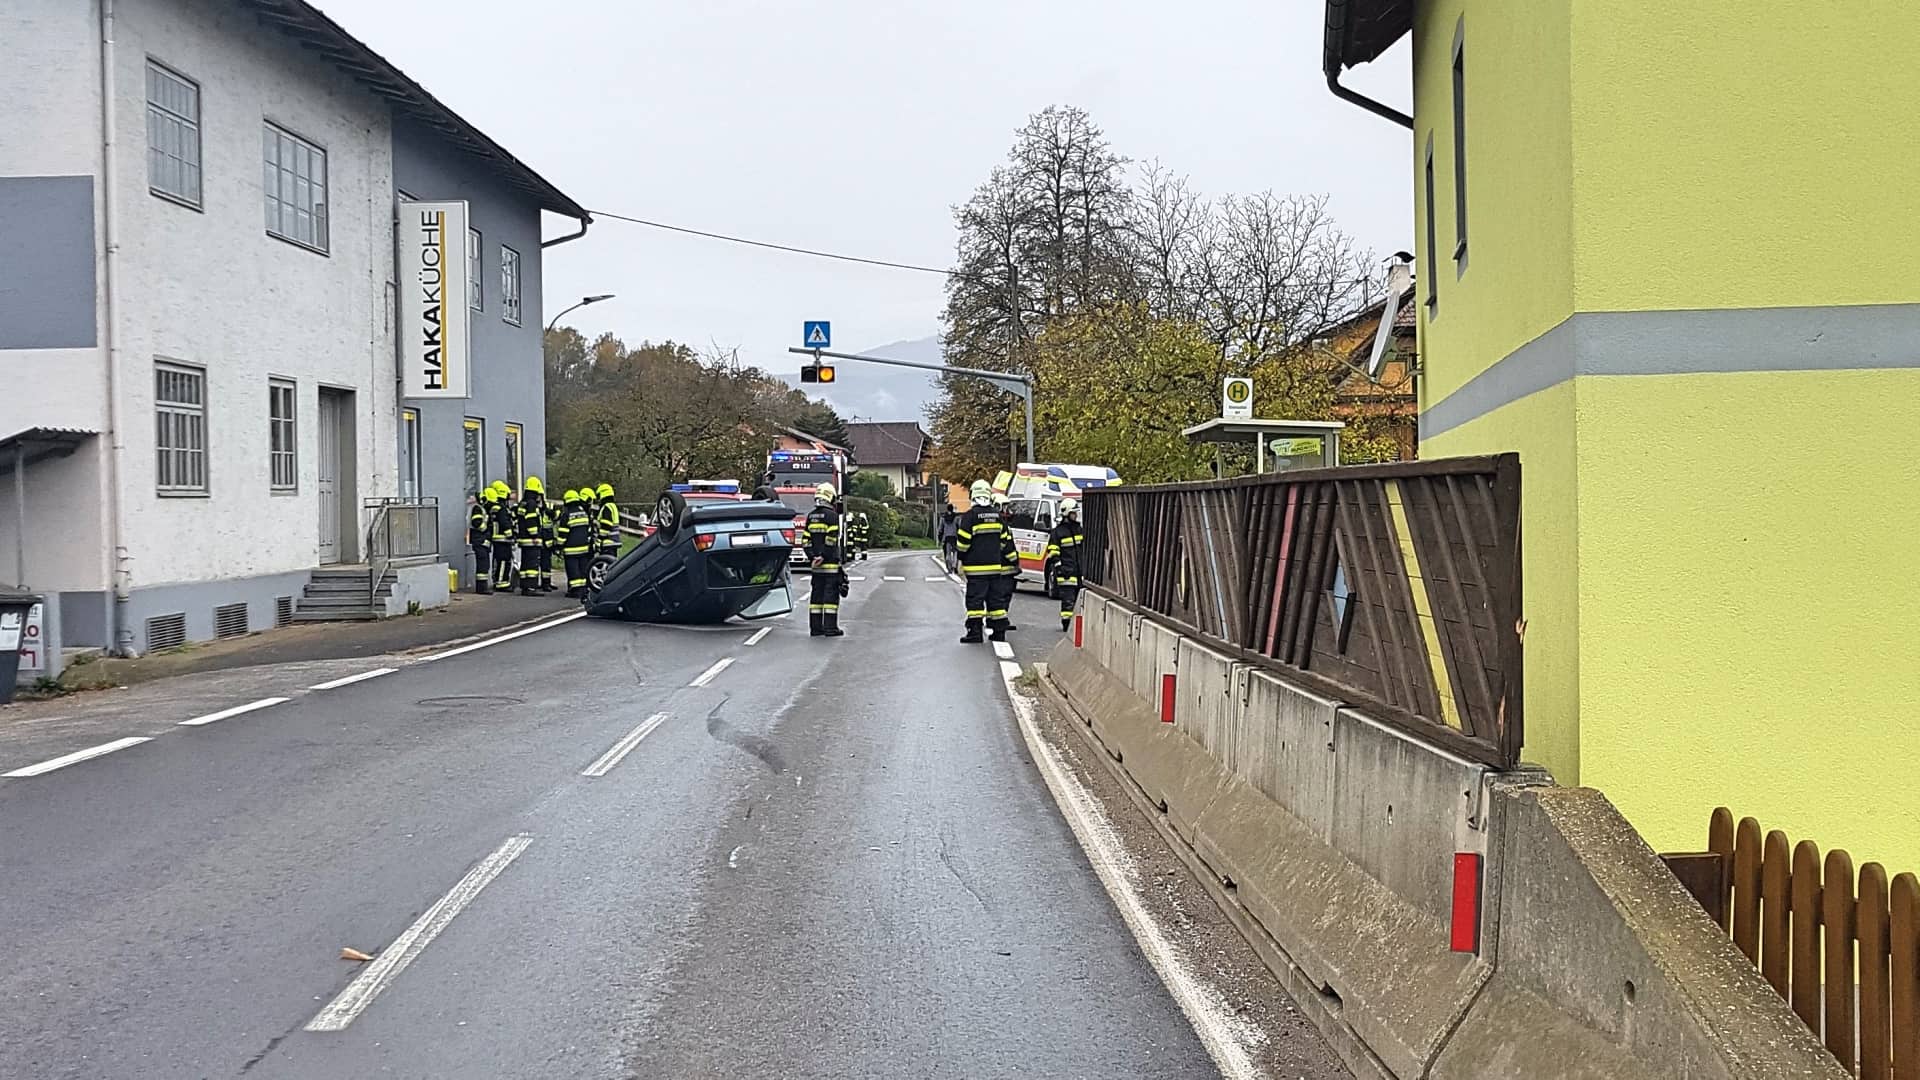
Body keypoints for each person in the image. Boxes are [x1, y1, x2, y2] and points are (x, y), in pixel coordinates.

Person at [955, 480, 1016, 643]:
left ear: (973, 495)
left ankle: (975, 633)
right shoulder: (997, 516)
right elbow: (1005, 541)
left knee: (975, 602)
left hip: (976, 570)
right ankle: (999, 633)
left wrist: (961, 559)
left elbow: (962, 544)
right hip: (996, 568)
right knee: (996, 602)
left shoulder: (970, 517)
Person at [804, 482, 845, 637]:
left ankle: (815, 628)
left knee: (816, 597)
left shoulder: (811, 515)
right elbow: (831, 539)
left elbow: (806, 540)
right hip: (829, 564)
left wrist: (812, 557)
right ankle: (830, 628)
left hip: (816, 566)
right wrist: (824, 556)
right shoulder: (832, 516)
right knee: (830, 598)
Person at [1047, 498, 1084, 632]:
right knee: (1068, 600)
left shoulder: (1079, 530)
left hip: (1079, 572)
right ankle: (1067, 624)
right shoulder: (1058, 533)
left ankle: (1077, 625)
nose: (1076, 515)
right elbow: (1053, 553)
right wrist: (1060, 568)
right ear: (1067, 514)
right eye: (1074, 513)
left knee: (1080, 600)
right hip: (1066, 572)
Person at [560, 490, 594, 598]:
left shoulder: (567, 514)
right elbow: (589, 530)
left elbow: (563, 533)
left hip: (571, 550)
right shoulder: (583, 513)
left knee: (573, 570)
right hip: (584, 548)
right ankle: (584, 590)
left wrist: (558, 545)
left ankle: (575, 591)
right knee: (583, 569)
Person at [517, 477, 548, 596]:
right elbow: (531, 520)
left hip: (524, 538)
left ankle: (525, 585)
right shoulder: (531, 504)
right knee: (532, 564)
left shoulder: (522, 503)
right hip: (531, 539)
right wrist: (535, 535)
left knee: (525, 564)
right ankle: (531, 587)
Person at [489, 481, 517, 592]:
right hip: (503, 539)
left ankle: (498, 580)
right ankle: (501, 583)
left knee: (498, 561)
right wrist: (511, 535)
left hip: (497, 539)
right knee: (504, 561)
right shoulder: (501, 508)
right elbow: (505, 523)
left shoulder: (495, 507)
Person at [466, 491, 492, 594]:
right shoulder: (477, 509)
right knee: (482, 565)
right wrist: (486, 530)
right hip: (479, 540)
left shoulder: (481, 509)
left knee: (484, 564)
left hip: (481, 540)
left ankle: (483, 587)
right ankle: (482, 588)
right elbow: (476, 523)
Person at [595, 482, 621, 562]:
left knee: (605, 564)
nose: (598, 499)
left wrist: (599, 540)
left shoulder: (606, 507)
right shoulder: (613, 506)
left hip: (607, 542)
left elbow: (606, 525)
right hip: (614, 541)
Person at [939, 503, 959, 573]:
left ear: (947, 509)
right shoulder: (956, 517)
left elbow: (940, 529)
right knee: (955, 552)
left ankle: (949, 566)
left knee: (947, 553)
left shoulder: (943, 518)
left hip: (946, 538)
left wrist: (940, 538)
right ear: (952, 509)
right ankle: (954, 565)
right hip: (955, 537)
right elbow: (959, 527)